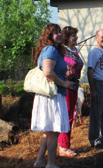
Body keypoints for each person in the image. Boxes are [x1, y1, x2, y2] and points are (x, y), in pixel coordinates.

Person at [31, 24, 75, 168]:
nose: (59, 34)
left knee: (48, 131)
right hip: (52, 95)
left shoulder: (54, 50)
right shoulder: (50, 49)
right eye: (55, 33)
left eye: (59, 32)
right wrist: (63, 83)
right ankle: (50, 164)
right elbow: (48, 72)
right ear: (48, 36)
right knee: (53, 131)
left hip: (51, 95)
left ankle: (39, 161)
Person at [58, 26, 84, 157]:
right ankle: (63, 146)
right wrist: (64, 72)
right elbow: (58, 66)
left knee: (70, 115)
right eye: (73, 36)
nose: (76, 38)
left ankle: (65, 144)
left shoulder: (74, 51)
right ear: (67, 38)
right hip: (66, 86)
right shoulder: (62, 51)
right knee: (66, 116)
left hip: (74, 86)